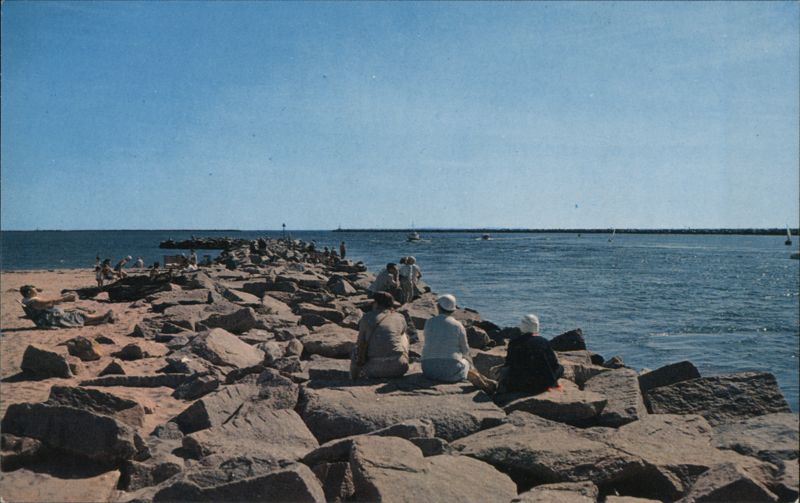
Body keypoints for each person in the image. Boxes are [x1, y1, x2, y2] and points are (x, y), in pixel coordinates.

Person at [496, 314, 564, 395]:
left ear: (522, 326)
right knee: (561, 368)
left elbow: (509, 364)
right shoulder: (544, 341)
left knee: (505, 370)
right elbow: (554, 364)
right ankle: (555, 385)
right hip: (543, 385)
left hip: (520, 385)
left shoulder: (514, 343)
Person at [350, 291, 410, 380]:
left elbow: (360, 343)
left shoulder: (366, 317)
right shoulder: (400, 317)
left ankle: (353, 377)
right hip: (399, 367)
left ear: (376, 303)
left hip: (373, 370)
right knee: (403, 335)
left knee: (357, 346)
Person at [421, 294, 473, 382]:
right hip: (450, 370)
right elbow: (465, 350)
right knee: (467, 363)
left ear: (438, 307)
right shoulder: (458, 325)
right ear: (453, 310)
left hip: (428, 369)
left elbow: (427, 340)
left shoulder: (429, 322)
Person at [19, 285, 114, 328]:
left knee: (73, 311)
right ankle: (102, 317)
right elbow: (49, 302)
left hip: (46, 319)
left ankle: (101, 319)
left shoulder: (26, 300)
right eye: (34, 289)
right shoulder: (33, 301)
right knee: (78, 314)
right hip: (51, 319)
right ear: (29, 292)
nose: (36, 290)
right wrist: (65, 298)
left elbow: (47, 304)